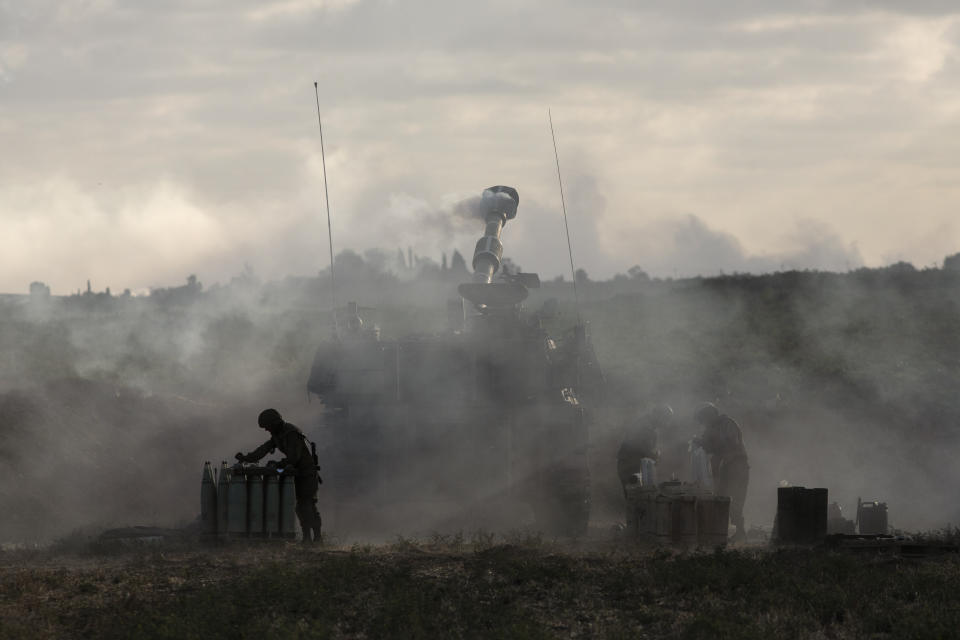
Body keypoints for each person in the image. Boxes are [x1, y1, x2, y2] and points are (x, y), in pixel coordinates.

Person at [236, 408, 323, 543]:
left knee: (307, 505)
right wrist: (247, 458)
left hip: (307, 474)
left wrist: (279, 464)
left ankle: (317, 538)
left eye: (267, 426)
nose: (267, 430)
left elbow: (294, 457)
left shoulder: (291, 432)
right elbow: (263, 449)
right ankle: (307, 537)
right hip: (298, 474)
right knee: (301, 506)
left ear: (275, 423)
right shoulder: (279, 434)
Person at [694, 402, 749, 541]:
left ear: (712, 416)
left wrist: (707, 443)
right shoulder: (711, 428)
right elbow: (708, 447)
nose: (704, 424)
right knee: (722, 498)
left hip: (737, 466)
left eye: (704, 420)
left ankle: (740, 532)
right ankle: (720, 531)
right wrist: (701, 442)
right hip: (724, 468)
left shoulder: (727, 424)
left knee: (736, 498)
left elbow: (731, 444)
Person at [617, 405, 673, 497]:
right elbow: (640, 447)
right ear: (658, 415)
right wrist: (653, 456)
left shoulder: (649, 426)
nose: (666, 423)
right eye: (665, 419)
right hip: (629, 465)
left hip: (635, 464)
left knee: (641, 497)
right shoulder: (644, 426)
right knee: (636, 496)